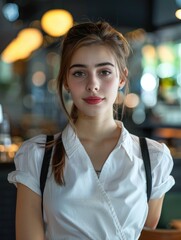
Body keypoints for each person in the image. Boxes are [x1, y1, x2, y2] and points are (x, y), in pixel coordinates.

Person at [8, 21, 175, 240]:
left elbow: (145, 234)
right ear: (66, 81)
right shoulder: (36, 155)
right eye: (79, 73)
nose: (93, 84)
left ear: (122, 78)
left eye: (104, 71)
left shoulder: (153, 158)